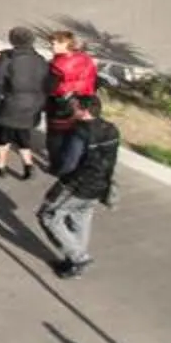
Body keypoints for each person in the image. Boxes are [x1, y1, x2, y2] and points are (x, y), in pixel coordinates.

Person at [37, 91, 122, 279]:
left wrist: (60, 171)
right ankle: (73, 262)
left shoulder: (80, 132)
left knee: (48, 215)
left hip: (76, 185)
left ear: (84, 111)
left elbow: (70, 162)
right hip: (100, 185)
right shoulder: (111, 130)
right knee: (81, 218)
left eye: (75, 107)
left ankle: (79, 257)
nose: (71, 109)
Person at [0, 28, 50, 178]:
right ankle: (28, 165)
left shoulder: (8, 58)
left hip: (11, 103)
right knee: (22, 132)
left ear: (12, 41)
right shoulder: (41, 60)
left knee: (1, 134)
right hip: (34, 105)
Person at [43, 29, 100, 169]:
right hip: (84, 101)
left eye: (55, 43)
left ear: (66, 44)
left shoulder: (58, 66)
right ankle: (73, 162)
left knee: (55, 137)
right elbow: (95, 80)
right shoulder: (86, 59)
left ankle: (56, 165)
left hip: (61, 104)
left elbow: (49, 87)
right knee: (74, 134)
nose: (52, 46)